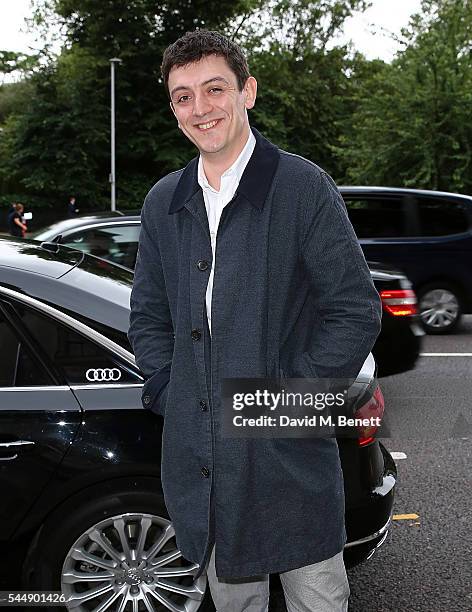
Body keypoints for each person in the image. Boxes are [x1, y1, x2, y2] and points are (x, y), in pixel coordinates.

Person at [128, 30, 382, 611]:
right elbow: (148, 314)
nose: (200, 108)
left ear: (248, 92)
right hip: (204, 461)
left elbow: (354, 309)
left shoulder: (301, 187)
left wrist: (287, 396)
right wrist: (170, 385)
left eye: (214, 89)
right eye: (183, 96)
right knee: (233, 601)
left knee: (317, 598)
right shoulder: (163, 200)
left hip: (289, 454)